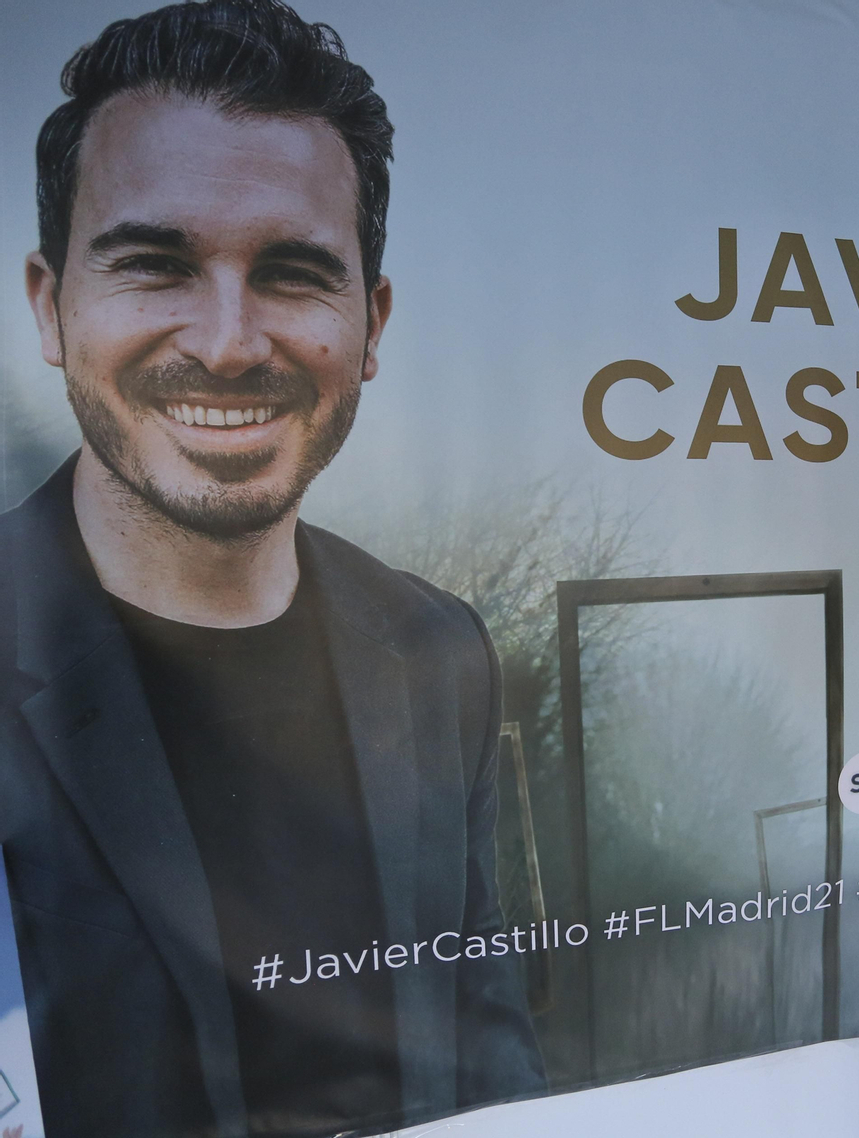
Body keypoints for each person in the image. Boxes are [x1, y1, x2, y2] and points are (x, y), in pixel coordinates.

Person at [0, 2, 542, 1135]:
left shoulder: (439, 646)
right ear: (51, 305)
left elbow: (488, 1055)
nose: (230, 342)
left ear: (371, 323)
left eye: (295, 275)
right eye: (154, 264)